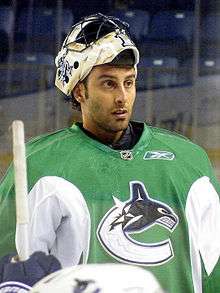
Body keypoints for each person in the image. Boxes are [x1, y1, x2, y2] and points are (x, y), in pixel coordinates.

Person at [0, 12, 219, 293]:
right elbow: (12, 268)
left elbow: (215, 266)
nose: (122, 97)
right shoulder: (40, 165)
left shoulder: (190, 161)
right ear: (79, 91)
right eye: (108, 83)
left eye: (129, 82)